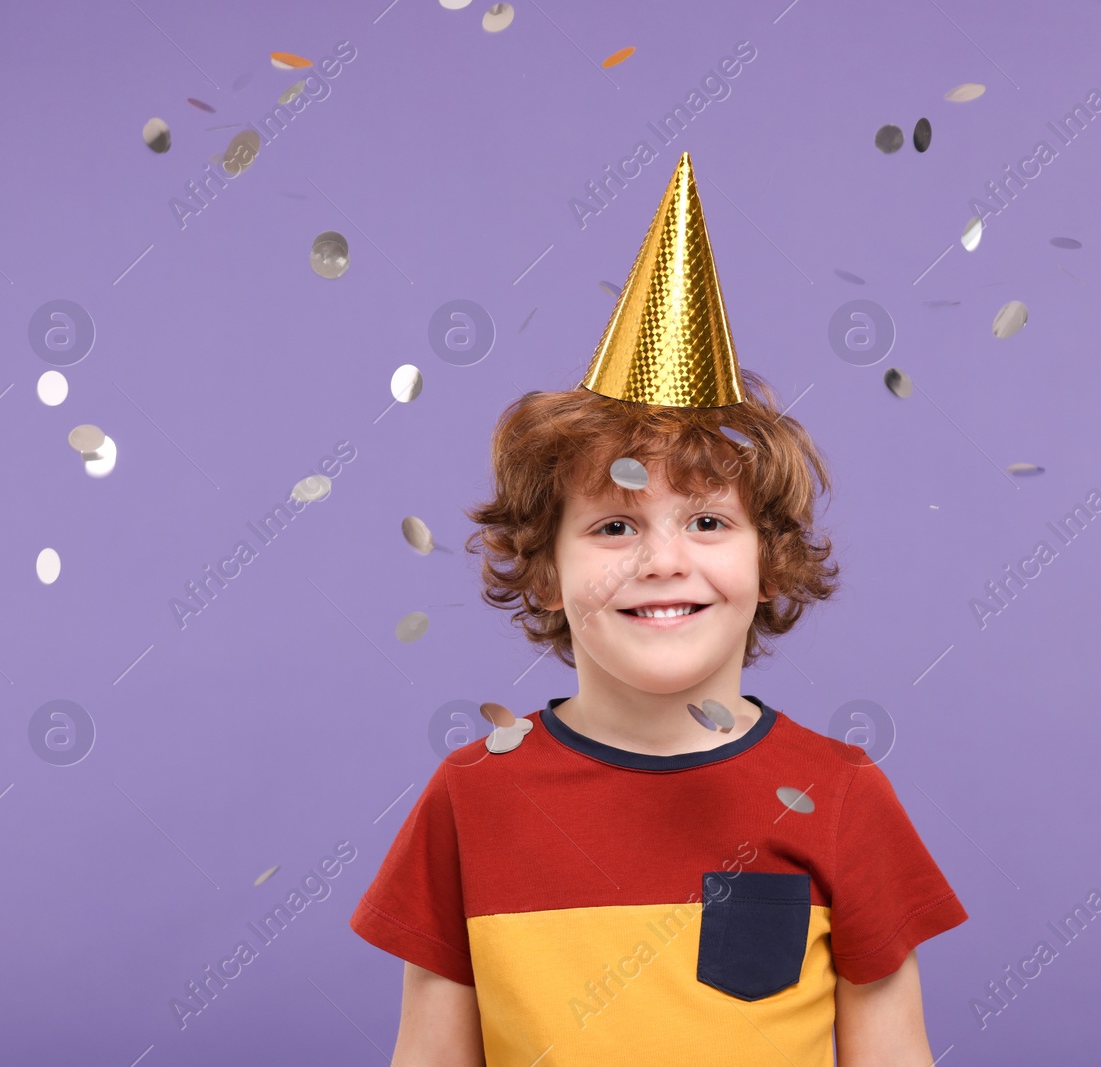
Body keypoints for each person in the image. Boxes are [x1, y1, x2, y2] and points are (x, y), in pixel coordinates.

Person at [348, 150, 968, 1066]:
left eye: (709, 519)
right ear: (547, 571)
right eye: (612, 528)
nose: (662, 560)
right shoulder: (467, 802)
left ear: (769, 562)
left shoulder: (840, 797)